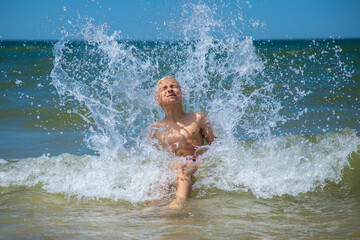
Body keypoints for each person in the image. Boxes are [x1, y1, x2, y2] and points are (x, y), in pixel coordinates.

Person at [147, 76, 216, 209]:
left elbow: (216, 145)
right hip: (173, 164)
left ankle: (179, 202)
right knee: (160, 178)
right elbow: (155, 157)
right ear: (158, 100)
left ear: (182, 95)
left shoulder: (197, 118)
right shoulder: (155, 128)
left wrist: (207, 160)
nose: (169, 90)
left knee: (182, 169)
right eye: (164, 88)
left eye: (173, 86)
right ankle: (151, 208)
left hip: (195, 161)